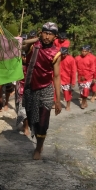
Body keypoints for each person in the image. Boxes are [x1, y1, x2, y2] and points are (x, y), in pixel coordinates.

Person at [22, 22, 62, 160]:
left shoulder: (56, 54)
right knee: (32, 118)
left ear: (55, 37)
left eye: (50, 34)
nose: (46, 36)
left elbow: (56, 76)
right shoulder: (33, 46)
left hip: (45, 89)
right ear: (41, 33)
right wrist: (33, 40)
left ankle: (38, 147)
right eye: (45, 33)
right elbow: (21, 46)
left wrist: (58, 100)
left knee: (43, 123)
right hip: (30, 88)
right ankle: (38, 140)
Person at [75, 45, 96, 109]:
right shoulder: (77, 58)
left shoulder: (91, 59)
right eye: (82, 51)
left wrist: (86, 76)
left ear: (88, 52)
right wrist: (75, 77)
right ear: (80, 51)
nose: (83, 52)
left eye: (85, 51)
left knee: (86, 90)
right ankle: (85, 100)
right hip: (80, 77)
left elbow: (92, 70)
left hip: (88, 78)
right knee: (81, 91)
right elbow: (74, 68)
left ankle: (83, 103)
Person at [15, 51, 29, 135]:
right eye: (23, 56)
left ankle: (26, 128)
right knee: (20, 109)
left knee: (24, 111)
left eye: (25, 56)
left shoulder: (30, 67)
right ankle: (24, 126)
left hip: (25, 91)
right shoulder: (19, 66)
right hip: (19, 90)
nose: (24, 58)